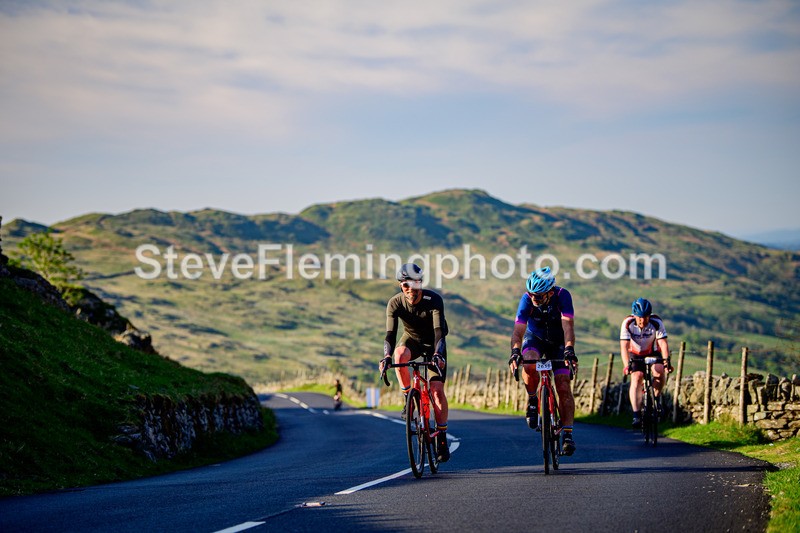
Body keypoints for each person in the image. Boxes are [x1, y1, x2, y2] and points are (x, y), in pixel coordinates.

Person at [379, 263, 451, 462]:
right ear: (401, 286)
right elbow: (390, 335)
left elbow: (439, 332)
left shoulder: (434, 300)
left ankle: (441, 437)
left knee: (436, 390)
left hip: (434, 344)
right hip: (412, 340)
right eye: (406, 285)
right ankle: (408, 399)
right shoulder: (395, 303)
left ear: (421, 283)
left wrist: (438, 355)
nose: (411, 289)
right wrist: (386, 357)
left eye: (415, 284)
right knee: (399, 355)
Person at [507, 266, 578, 456]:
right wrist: (515, 352)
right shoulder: (526, 299)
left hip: (558, 342)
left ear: (550, 292)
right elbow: (518, 331)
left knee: (563, 385)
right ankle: (532, 399)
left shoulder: (563, 296)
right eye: (531, 294)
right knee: (529, 361)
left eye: (538, 296)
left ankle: (567, 434)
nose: (533, 298)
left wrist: (569, 350)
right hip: (535, 339)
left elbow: (568, 328)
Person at [620, 297, 673, 428]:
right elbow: (624, 346)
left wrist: (666, 362)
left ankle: (656, 399)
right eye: (639, 317)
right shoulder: (627, 323)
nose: (643, 320)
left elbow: (663, 343)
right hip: (635, 353)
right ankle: (636, 414)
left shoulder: (656, 322)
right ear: (634, 315)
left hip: (652, 352)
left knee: (659, 371)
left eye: (646, 317)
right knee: (636, 377)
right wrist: (627, 366)